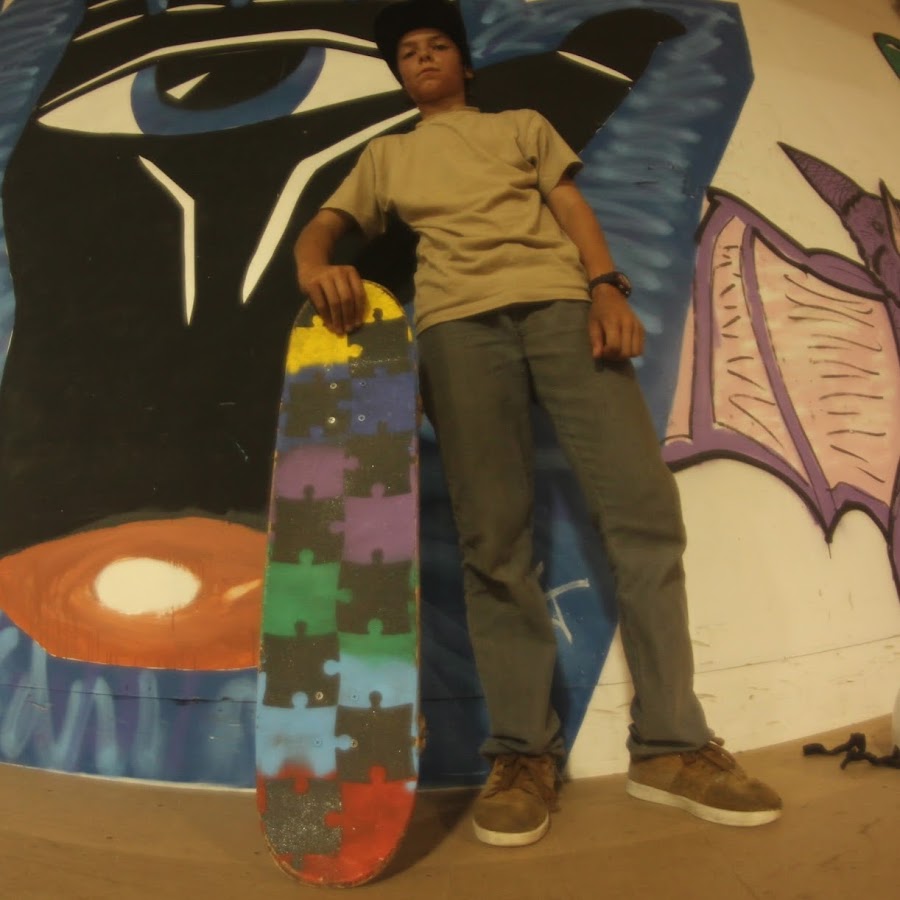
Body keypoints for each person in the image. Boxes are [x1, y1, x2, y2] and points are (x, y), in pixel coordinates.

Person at [294, 0, 782, 847]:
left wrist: (607, 287)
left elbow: (571, 206)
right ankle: (522, 755)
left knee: (643, 515)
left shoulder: (521, 124)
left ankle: (671, 746)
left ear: (464, 62)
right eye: (407, 53)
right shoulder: (386, 154)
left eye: (436, 46)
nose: (423, 59)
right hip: (454, 331)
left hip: (562, 310)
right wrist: (314, 265)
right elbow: (327, 225)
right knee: (493, 543)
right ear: (400, 74)